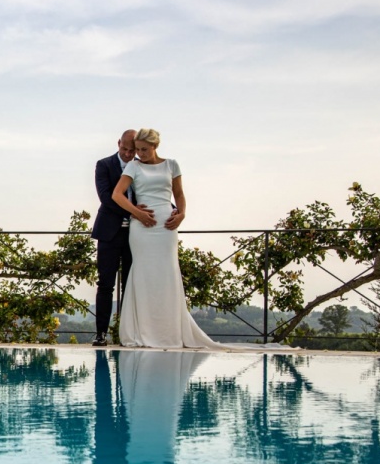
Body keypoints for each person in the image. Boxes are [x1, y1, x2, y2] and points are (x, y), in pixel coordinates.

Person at [109, 128, 289, 350]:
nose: (140, 153)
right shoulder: (134, 166)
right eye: (138, 149)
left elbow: (180, 194)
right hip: (142, 229)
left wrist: (182, 214)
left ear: (155, 146)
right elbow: (116, 195)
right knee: (143, 274)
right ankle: (141, 332)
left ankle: (168, 333)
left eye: (144, 149)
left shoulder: (171, 164)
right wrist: (137, 213)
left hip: (167, 227)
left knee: (167, 273)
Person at [90, 130, 137, 346]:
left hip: (136, 235)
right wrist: (134, 212)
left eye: (132, 150)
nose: (128, 153)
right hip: (109, 233)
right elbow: (106, 197)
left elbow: (151, 193)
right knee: (105, 285)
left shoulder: (141, 166)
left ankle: (127, 334)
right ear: (118, 144)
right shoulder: (104, 164)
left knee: (130, 284)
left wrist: (170, 209)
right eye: (124, 149)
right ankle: (101, 334)